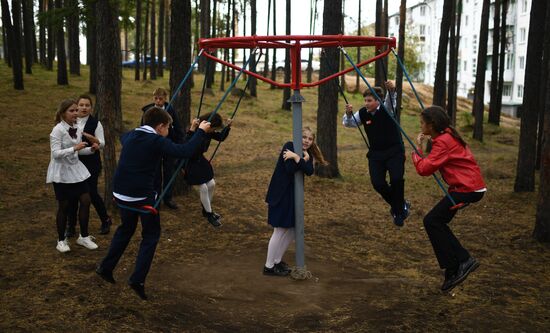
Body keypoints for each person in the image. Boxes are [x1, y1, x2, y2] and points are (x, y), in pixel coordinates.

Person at [96, 107, 210, 300]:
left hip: (121, 194)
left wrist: (190, 130)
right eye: (168, 128)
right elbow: (184, 151)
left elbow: (132, 139)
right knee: (150, 235)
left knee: (126, 228)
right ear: (160, 127)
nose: (169, 132)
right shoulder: (156, 141)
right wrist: (201, 132)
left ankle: (105, 267)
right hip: (141, 197)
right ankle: (137, 279)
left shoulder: (130, 134)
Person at [412, 105, 486, 292]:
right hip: (469, 187)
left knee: (432, 221)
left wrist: (417, 150)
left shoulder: (443, 141)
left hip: (467, 188)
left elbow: (424, 169)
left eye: (422, 123)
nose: (420, 126)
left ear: (432, 125)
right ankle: (453, 269)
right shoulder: (447, 134)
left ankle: (462, 260)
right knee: (436, 222)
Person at [342, 81, 410, 226]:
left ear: (378, 101)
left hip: (394, 151)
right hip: (376, 154)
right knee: (378, 183)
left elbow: (390, 101)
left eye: (369, 100)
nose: (366, 103)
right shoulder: (363, 113)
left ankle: (398, 212)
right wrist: (348, 114)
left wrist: (391, 91)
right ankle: (400, 204)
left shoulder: (387, 109)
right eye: (365, 100)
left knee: (397, 179)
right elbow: (349, 123)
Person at [263, 127, 327, 276]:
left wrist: (298, 158)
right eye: (304, 137)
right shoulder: (289, 146)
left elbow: (310, 171)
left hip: (292, 196)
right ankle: (268, 266)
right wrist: (300, 160)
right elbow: (290, 168)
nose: (306, 141)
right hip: (280, 194)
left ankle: (277, 261)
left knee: (293, 229)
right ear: (298, 136)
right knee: (279, 230)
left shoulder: (307, 153)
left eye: (310, 139)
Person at [46, 99, 100, 253]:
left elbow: (77, 150)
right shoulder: (57, 130)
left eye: (76, 110)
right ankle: (61, 240)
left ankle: (83, 236)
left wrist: (91, 149)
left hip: (76, 170)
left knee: (86, 200)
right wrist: (74, 148)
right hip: (61, 172)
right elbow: (56, 154)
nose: (76, 113)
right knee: (64, 206)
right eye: (72, 111)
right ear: (63, 113)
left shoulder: (76, 127)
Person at [66, 94, 112, 237]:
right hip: (73, 163)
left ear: (91, 108)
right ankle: (71, 227)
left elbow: (102, 143)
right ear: (76, 106)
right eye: (81, 105)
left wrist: (95, 143)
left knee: (91, 192)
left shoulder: (95, 123)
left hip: (91, 164)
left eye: (87, 105)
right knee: (72, 195)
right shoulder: (70, 122)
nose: (84, 108)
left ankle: (105, 220)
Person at [184, 112, 232, 227]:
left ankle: (206, 210)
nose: (213, 131)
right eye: (214, 128)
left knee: (211, 184)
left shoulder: (209, 132)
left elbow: (220, 137)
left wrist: (228, 127)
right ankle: (209, 214)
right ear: (209, 126)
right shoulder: (197, 130)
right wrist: (192, 129)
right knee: (203, 187)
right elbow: (185, 145)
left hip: (200, 160)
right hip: (189, 161)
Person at [141, 87, 184, 210]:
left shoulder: (170, 110)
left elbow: (178, 128)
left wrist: (179, 143)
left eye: (161, 99)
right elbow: (143, 128)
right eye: (156, 98)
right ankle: (156, 198)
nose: (158, 101)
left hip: (167, 145)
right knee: (155, 174)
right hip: (153, 147)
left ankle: (168, 198)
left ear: (165, 99)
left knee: (168, 172)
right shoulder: (148, 111)